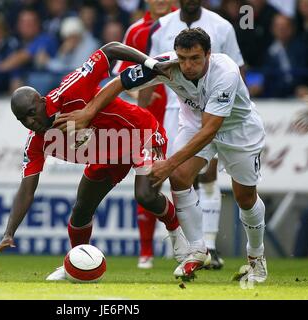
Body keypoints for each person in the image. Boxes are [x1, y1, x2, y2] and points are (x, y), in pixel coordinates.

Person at [56, 28, 268, 283]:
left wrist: (168, 162)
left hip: (238, 130)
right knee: (179, 177)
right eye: (183, 58)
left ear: (209, 55)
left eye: (195, 59)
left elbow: (211, 129)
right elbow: (120, 81)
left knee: (244, 197)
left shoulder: (226, 72)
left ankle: (256, 258)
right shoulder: (165, 65)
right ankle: (197, 250)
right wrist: (89, 113)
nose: (188, 66)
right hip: (193, 125)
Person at [0, 42, 189, 281]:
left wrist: (151, 63)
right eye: (23, 120)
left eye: (31, 112)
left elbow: (111, 48)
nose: (30, 122)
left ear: (41, 100)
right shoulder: (37, 142)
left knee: (144, 195)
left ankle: (177, 236)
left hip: (140, 133)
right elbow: (27, 189)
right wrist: (9, 233)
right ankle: (75, 263)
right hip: (108, 155)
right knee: (81, 210)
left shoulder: (71, 89)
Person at [139, 0, 246, 270]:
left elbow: (239, 68)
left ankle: (209, 245)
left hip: (213, 108)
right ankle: (189, 246)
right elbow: (148, 69)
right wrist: (141, 113)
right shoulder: (161, 26)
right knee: (176, 176)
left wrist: (237, 106)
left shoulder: (222, 26)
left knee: (207, 174)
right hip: (174, 109)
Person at [112, 0, 177, 269]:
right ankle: (146, 252)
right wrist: (143, 96)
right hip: (150, 119)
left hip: (183, 116)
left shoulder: (186, 27)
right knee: (148, 182)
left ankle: (195, 246)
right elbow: (121, 77)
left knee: (186, 181)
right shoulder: (136, 31)